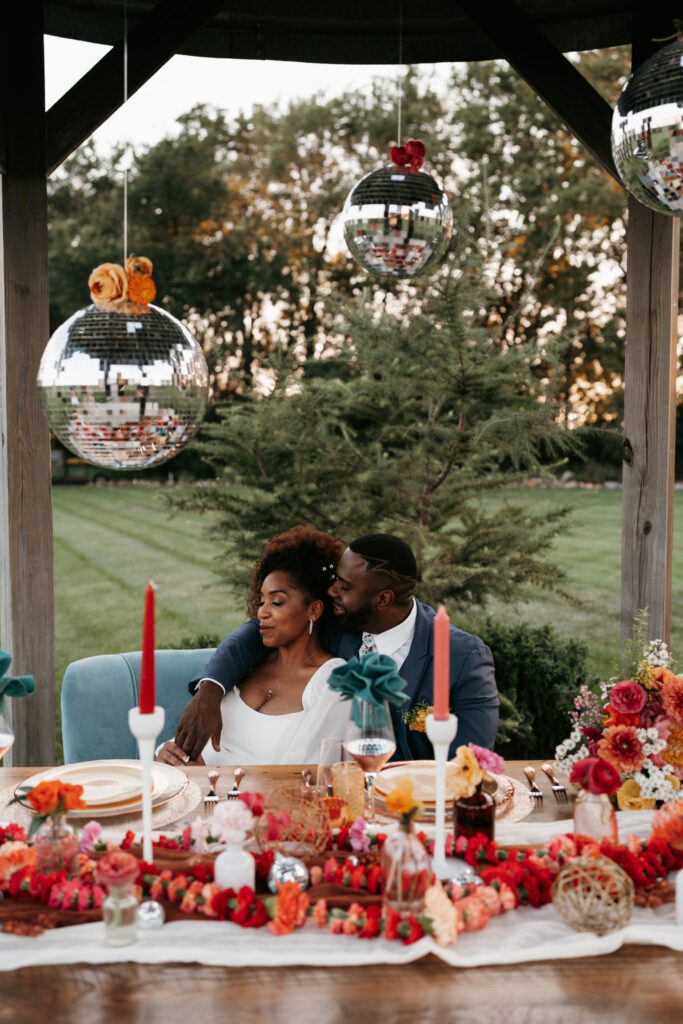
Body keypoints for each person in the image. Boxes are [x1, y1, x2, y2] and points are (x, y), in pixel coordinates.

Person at [173, 533, 499, 763]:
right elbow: (252, 633)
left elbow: (471, 762)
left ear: (382, 599)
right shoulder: (337, 621)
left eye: (344, 586)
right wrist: (210, 691)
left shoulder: (464, 658)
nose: (331, 591)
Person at [157, 526, 350, 766]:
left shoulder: (334, 680)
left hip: (241, 799)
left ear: (314, 610)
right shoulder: (245, 664)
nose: (262, 612)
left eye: (277, 602)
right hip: (184, 789)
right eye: (261, 601)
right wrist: (167, 753)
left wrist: (207, 778)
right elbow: (187, 745)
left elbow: (303, 781)